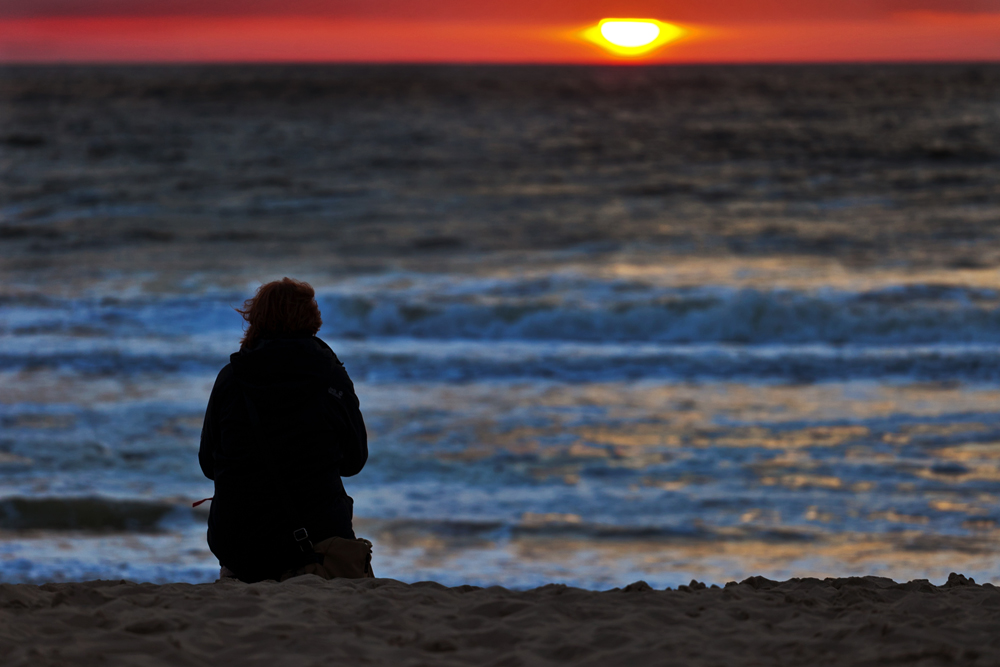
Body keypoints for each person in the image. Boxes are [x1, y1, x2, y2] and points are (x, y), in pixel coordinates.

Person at [198, 277, 368, 583]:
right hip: (314, 538)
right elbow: (354, 462)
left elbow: (208, 465)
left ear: (257, 319)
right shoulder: (331, 377)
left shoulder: (231, 377)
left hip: (240, 544)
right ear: (312, 319)